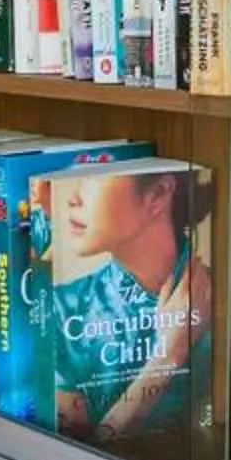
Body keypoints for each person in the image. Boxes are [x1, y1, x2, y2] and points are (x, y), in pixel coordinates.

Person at [44, 165, 213, 442]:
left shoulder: (224, 301)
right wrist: (169, 354)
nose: (71, 198)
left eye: (93, 177)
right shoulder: (60, 310)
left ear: (158, 194)